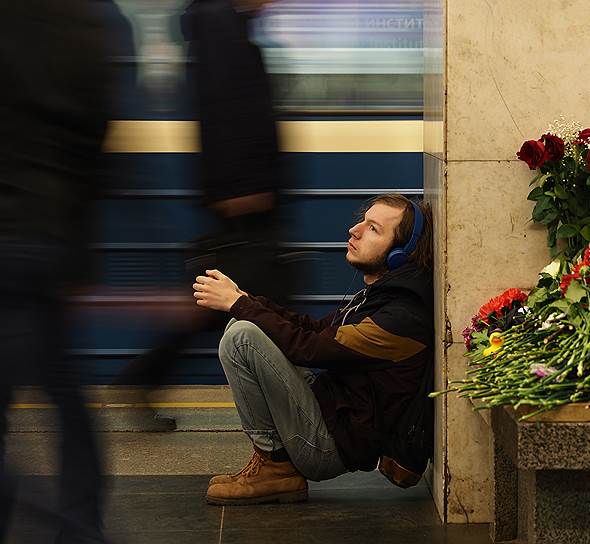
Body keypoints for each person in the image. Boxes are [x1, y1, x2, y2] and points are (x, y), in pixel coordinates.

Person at [192, 194, 434, 505]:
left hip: (327, 447)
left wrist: (240, 305)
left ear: (399, 254)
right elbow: (313, 328)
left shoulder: (399, 320)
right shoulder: (380, 296)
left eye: (373, 228)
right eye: (362, 221)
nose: (354, 230)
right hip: (329, 413)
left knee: (243, 337)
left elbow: (309, 348)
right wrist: (245, 299)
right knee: (240, 325)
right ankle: (273, 464)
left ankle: (277, 466)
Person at [116, 0, 289, 397]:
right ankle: (294, 416)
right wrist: (242, 189)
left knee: (232, 301)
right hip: (245, 193)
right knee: (261, 302)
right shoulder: (219, 24)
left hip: (245, 189)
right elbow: (226, 110)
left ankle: (146, 375)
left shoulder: (228, 25)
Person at [0, 1, 126, 541]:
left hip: (7, 231)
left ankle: (55, 517)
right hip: (50, 236)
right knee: (63, 386)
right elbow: (94, 146)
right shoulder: (90, 25)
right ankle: (81, 522)